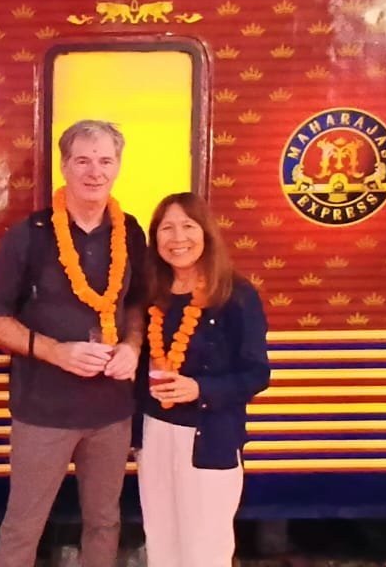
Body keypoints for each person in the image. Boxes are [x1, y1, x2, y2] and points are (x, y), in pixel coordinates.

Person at [0, 120, 147, 567]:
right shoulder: (30, 234)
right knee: (23, 527)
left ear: (118, 166)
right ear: (64, 166)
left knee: (105, 522)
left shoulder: (130, 231)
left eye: (105, 160)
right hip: (43, 412)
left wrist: (132, 346)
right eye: (83, 160)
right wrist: (56, 352)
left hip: (112, 411)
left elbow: (136, 303)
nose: (95, 171)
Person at [135, 192, 271, 567]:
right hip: (154, 434)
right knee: (160, 542)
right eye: (167, 228)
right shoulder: (151, 294)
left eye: (188, 226)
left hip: (209, 438)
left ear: (206, 233)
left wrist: (200, 389)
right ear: (155, 238)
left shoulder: (236, 294)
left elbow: (257, 374)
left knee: (205, 549)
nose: (178, 238)